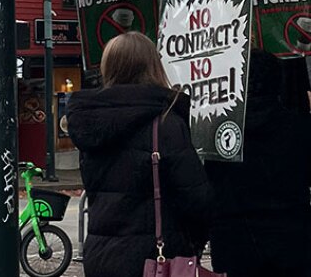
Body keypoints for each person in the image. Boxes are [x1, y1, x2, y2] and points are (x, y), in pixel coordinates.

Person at [67, 32, 213, 277]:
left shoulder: (90, 122)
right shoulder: (165, 123)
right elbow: (196, 199)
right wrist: (193, 244)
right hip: (154, 258)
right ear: (153, 65)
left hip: (101, 256)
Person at [204, 51, 311, 277]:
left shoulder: (218, 132)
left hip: (235, 241)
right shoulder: (295, 127)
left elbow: (205, 181)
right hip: (288, 240)